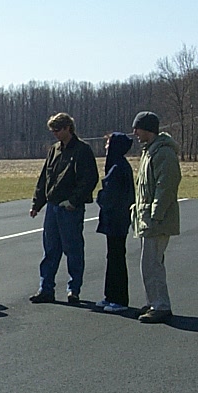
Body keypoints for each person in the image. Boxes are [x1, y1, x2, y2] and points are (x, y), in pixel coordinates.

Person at [29, 112, 99, 304]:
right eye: (52, 131)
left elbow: (89, 179)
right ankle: (46, 289)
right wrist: (37, 203)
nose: (55, 134)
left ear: (68, 128)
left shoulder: (82, 150)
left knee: (73, 249)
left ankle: (73, 289)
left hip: (70, 208)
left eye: (58, 130)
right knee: (50, 250)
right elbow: (45, 178)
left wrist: (73, 201)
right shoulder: (54, 150)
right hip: (52, 207)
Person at [131, 111, 182, 323]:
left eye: (137, 128)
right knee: (148, 264)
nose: (134, 133)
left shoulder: (163, 153)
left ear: (148, 129)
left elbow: (166, 186)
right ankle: (153, 301)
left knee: (153, 264)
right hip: (147, 219)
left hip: (156, 220)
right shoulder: (149, 152)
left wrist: (156, 214)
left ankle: (161, 305)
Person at [95, 132, 135, 313]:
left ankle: (119, 299)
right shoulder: (119, 166)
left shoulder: (118, 168)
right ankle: (110, 296)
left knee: (117, 258)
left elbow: (109, 195)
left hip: (117, 219)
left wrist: (100, 197)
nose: (105, 148)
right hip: (116, 219)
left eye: (108, 144)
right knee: (112, 257)